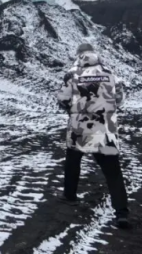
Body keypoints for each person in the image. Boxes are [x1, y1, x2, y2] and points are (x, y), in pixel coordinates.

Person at [57, 43, 129, 229]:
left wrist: (72, 110)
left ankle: (70, 196)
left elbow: (62, 99)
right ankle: (121, 213)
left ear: (79, 55)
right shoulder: (110, 73)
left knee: (73, 161)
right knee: (113, 172)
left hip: (79, 128)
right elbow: (120, 99)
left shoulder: (72, 74)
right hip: (105, 129)